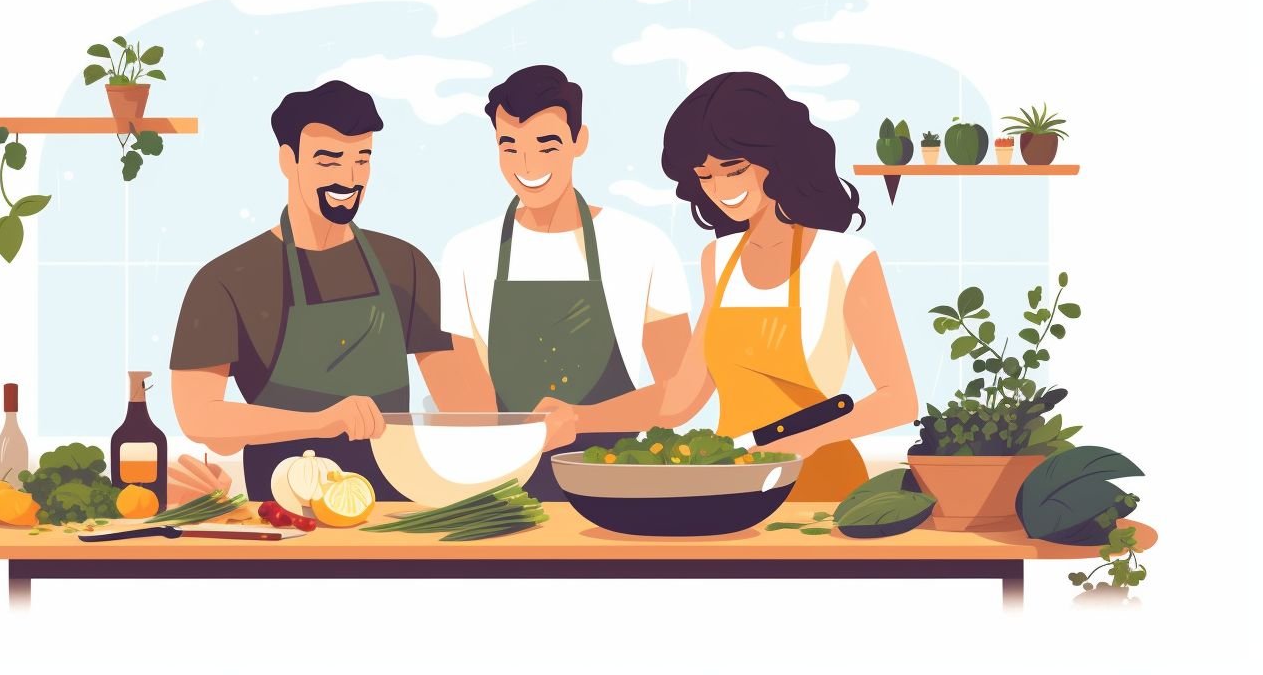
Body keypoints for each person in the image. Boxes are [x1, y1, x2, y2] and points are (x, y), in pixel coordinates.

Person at [553, 71, 918, 501]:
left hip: (820, 482)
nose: (721, 190)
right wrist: (577, 418)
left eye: (734, 169)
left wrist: (800, 443)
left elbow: (899, 399)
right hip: (733, 479)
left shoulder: (845, 259)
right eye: (705, 176)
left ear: (777, 158)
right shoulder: (719, 260)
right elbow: (681, 399)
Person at [169, 80, 483, 502]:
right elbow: (201, 418)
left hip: (399, 506)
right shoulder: (227, 279)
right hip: (284, 509)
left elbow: (463, 404)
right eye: (328, 160)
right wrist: (322, 422)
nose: (349, 179)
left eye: (362, 160)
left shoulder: (404, 264)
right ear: (288, 160)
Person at [439, 65, 692, 500]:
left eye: (546, 145)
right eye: (509, 146)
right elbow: (468, 398)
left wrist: (579, 420)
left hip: (618, 476)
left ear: (580, 141)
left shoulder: (641, 244)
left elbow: (680, 393)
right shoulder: (466, 253)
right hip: (504, 483)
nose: (527, 165)